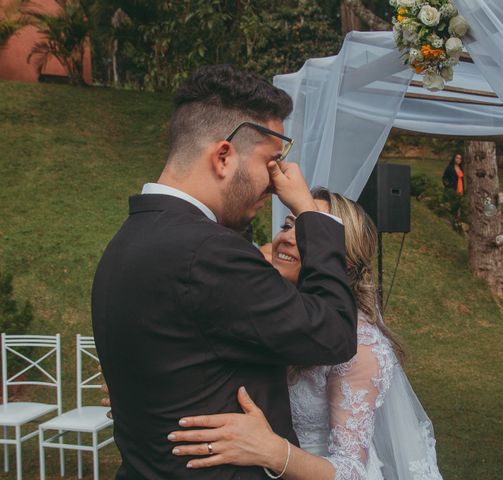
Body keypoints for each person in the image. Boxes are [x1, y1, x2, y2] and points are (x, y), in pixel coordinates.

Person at [91, 65, 358, 479]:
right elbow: (334, 333)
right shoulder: (209, 252)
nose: (274, 185)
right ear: (223, 156)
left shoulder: (128, 238)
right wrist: (308, 212)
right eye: (269, 163)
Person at [166, 188, 443, 480]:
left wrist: (272, 450)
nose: (285, 237)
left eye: (310, 235)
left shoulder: (360, 348)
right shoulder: (275, 313)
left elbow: (353, 472)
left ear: (343, 260)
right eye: (287, 225)